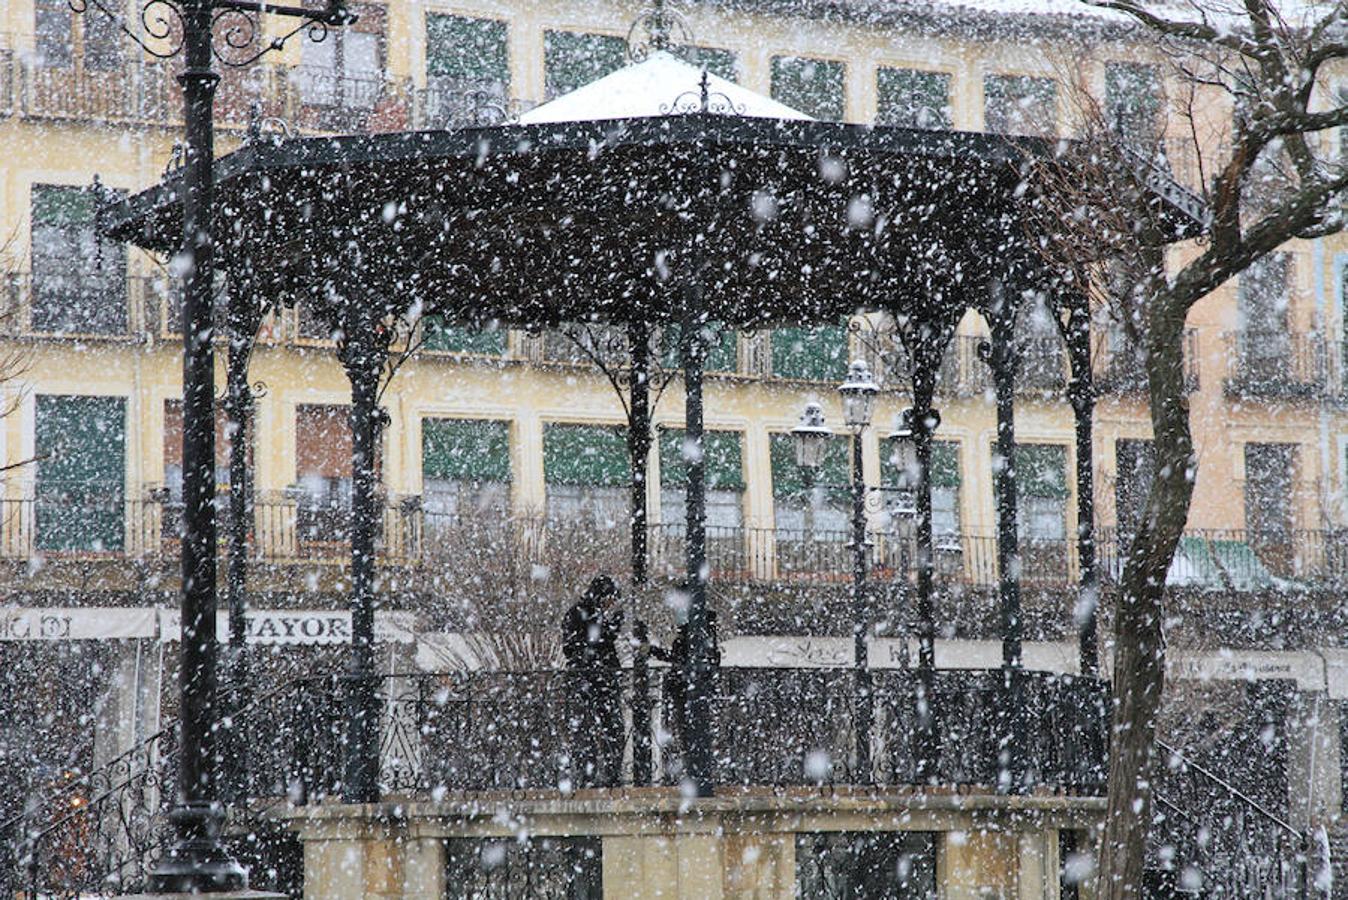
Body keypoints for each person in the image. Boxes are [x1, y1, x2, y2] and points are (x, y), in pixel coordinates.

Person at [562, 575, 625, 787]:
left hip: (601, 680)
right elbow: (578, 646)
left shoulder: (593, 615)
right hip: (588, 680)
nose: (611, 603)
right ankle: (589, 775)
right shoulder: (580, 614)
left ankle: (609, 773)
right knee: (588, 730)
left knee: (611, 728)